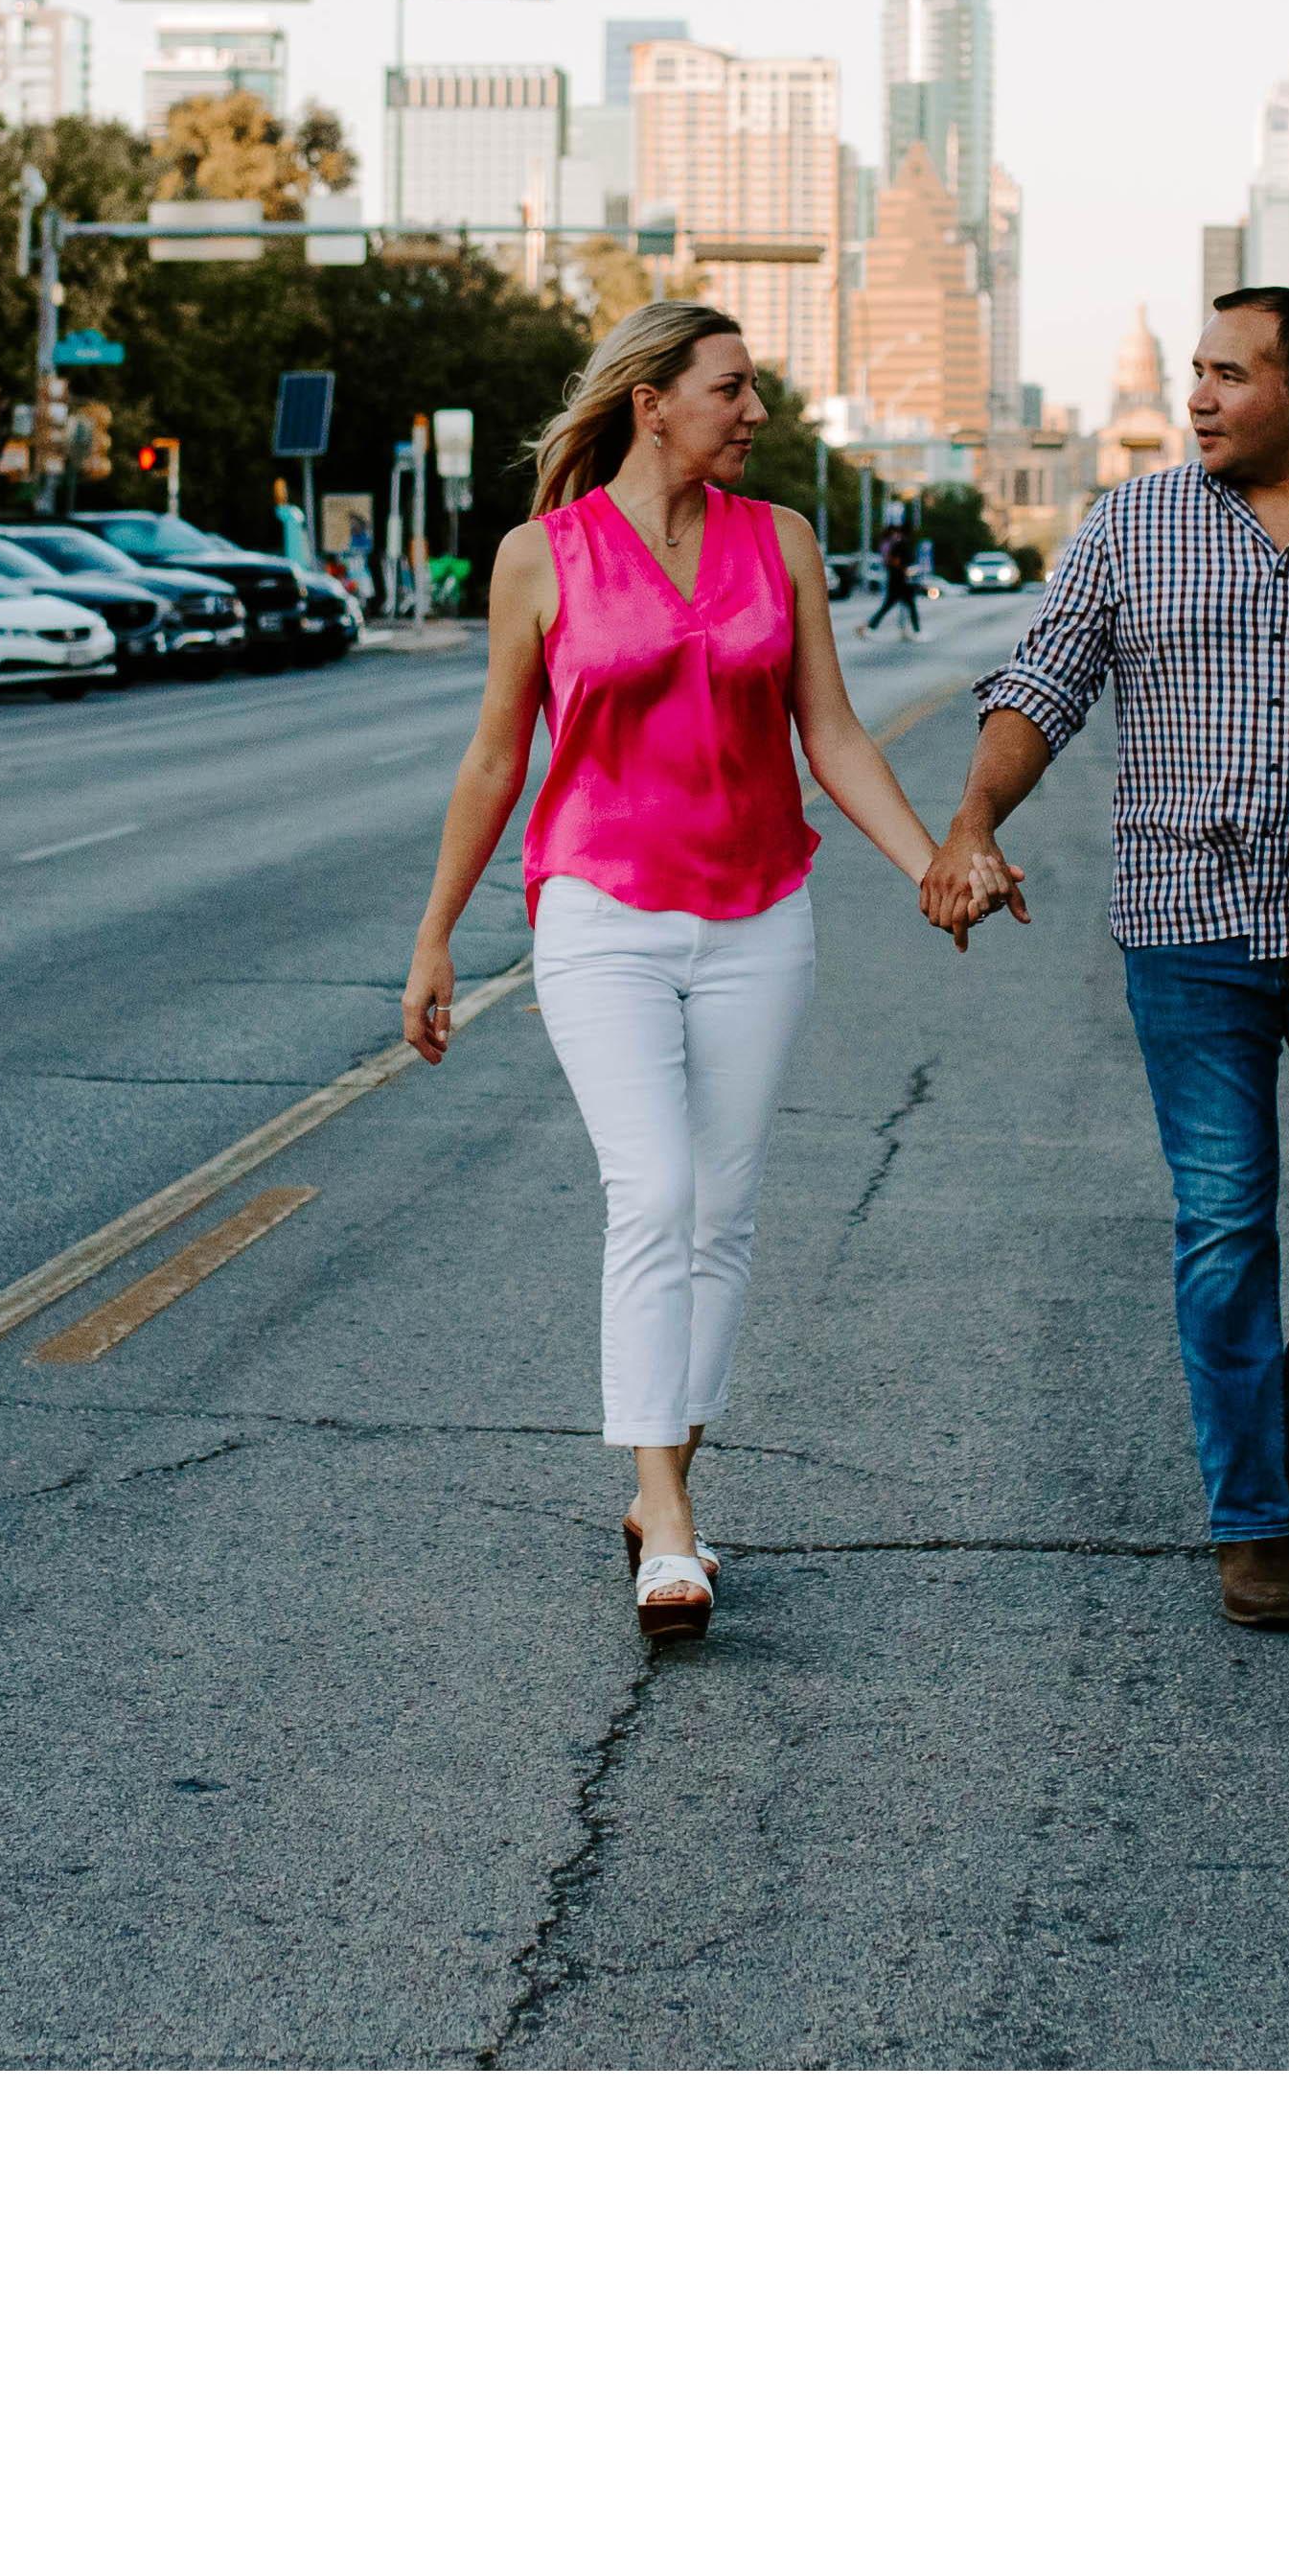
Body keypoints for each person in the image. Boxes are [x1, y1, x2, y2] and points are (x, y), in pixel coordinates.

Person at [922, 285, 1289, 1635]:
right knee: (1225, 1220)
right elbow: (1041, 686)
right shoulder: (1130, 525)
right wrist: (972, 823)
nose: (1195, 396)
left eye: (1227, 374)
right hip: (1185, 924)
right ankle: (1251, 1516)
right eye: (1191, 369)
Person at [403, 300, 975, 1646]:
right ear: (651, 402)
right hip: (599, 908)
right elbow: (496, 758)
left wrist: (927, 864)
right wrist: (436, 934)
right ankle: (665, 1519)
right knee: (653, 1191)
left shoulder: (780, 541)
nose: (755, 412)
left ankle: (663, 1482)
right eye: (732, 388)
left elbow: (831, 732)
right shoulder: (540, 558)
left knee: (720, 1212)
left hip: (759, 912)